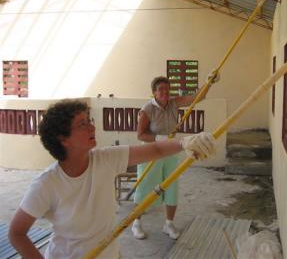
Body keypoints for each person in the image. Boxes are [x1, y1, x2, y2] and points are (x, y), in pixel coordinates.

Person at [8, 99, 216, 259]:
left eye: (89, 120)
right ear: (63, 139)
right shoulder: (47, 183)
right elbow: (16, 233)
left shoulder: (105, 159)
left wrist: (186, 142)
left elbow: (157, 148)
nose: (92, 127)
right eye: (82, 124)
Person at [132, 73, 219, 240]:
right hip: (151, 151)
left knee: (171, 186)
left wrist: (209, 83)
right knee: (145, 187)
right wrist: (158, 138)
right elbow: (140, 135)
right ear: (154, 92)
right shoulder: (147, 109)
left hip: (170, 150)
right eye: (160, 89)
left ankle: (169, 224)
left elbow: (197, 98)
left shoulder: (174, 103)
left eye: (167, 88)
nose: (165, 92)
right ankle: (136, 222)